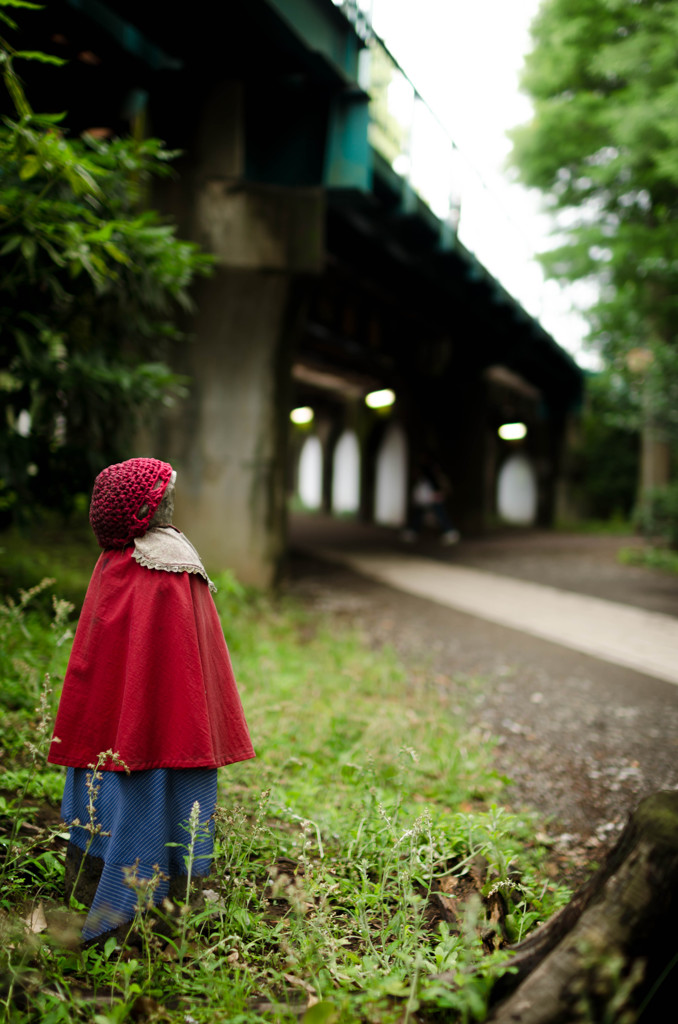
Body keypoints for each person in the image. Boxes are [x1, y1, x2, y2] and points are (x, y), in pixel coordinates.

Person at [48, 457, 255, 941]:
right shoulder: (164, 566)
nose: (172, 501)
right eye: (165, 494)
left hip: (142, 722)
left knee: (133, 757)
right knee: (145, 770)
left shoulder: (124, 559)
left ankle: (107, 880)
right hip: (157, 733)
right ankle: (143, 898)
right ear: (145, 507)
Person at [401, 457, 460, 545]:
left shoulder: (435, 471)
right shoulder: (424, 473)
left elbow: (443, 485)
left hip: (434, 495)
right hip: (426, 496)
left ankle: (450, 532)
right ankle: (412, 531)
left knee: (439, 512)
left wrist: (440, 492)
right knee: (420, 512)